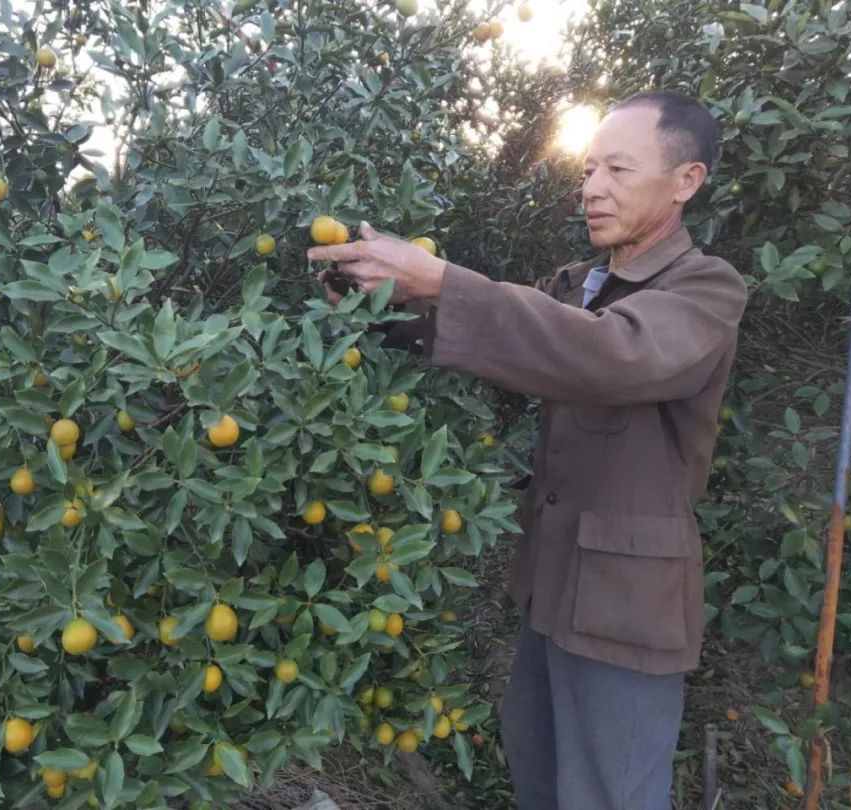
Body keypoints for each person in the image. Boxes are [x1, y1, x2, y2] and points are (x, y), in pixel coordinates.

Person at [307, 90, 748, 809]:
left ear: (685, 181)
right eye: (588, 169)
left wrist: (443, 280)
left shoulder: (703, 288)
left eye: (618, 170)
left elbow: (610, 356)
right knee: (540, 776)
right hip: (554, 587)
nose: (592, 189)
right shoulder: (580, 285)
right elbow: (512, 339)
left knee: (612, 795)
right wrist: (378, 303)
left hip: (628, 610)